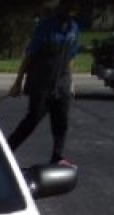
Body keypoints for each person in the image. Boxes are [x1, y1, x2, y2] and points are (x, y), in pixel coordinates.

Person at [7, 0, 80, 166]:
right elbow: (29, 56)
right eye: (68, 9)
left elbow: (71, 57)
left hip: (62, 83)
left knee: (61, 122)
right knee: (32, 119)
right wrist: (18, 82)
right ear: (61, 8)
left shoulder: (74, 29)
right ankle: (7, 150)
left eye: (73, 11)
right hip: (41, 83)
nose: (70, 14)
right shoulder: (45, 27)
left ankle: (57, 156)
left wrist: (71, 82)